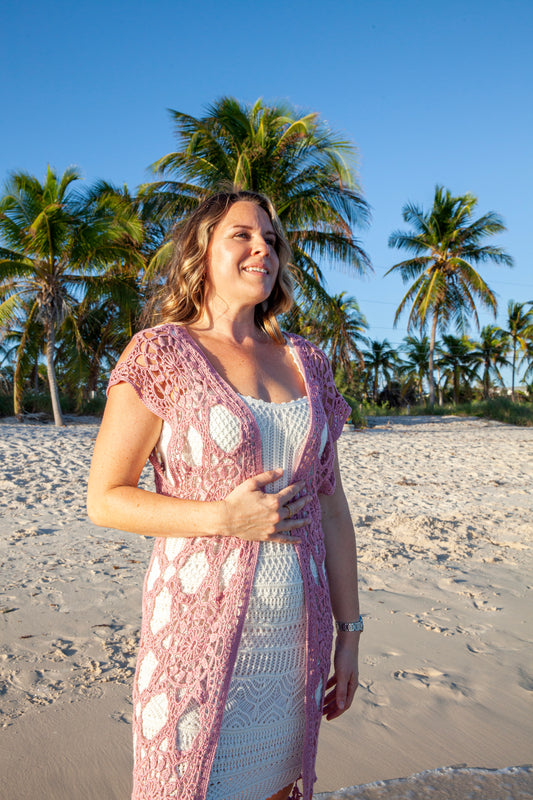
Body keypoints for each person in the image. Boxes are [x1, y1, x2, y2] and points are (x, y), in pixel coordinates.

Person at [87, 190, 361, 800]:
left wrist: (350, 632)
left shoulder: (309, 361)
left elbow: (332, 508)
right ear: (201, 252)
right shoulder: (161, 354)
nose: (263, 247)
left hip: (295, 647)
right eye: (243, 234)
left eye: (272, 238)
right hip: (194, 643)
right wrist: (224, 518)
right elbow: (105, 498)